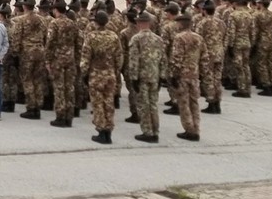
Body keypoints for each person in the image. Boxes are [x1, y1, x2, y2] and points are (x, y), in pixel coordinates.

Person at [80, 9, 122, 144]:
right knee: (108, 102)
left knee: (97, 103)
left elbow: (86, 57)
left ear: (96, 23)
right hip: (110, 74)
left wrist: (84, 73)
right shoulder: (114, 36)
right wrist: (115, 71)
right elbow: (119, 57)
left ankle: (101, 130)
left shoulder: (91, 37)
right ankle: (109, 130)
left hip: (96, 74)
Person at [126, 12, 165, 143]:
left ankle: (147, 132)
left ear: (139, 23)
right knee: (153, 104)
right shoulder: (158, 39)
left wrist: (133, 77)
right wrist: (162, 76)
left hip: (142, 77)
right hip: (155, 76)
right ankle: (155, 131)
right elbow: (163, 60)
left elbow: (134, 60)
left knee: (143, 105)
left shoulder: (136, 39)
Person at [169, 13, 207, 142]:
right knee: (194, 103)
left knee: (184, 103)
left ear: (181, 24)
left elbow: (177, 58)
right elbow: (204, 58)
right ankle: (196, 128)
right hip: (194, 75)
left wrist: (173, 75)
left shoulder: (179, 38)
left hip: (183, 75)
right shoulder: (199, 38)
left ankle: (189, 129)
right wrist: (202, 73)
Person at [45, 0, 78, 127]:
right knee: (69, 87)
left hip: (58, 59)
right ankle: (69, 116)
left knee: (59, 88)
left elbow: (50, 43)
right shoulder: (72, 23)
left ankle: (60, 116)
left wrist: (47, 60)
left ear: (55, 10)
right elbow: (77, 41)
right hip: (70, 58)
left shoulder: (54, 24)